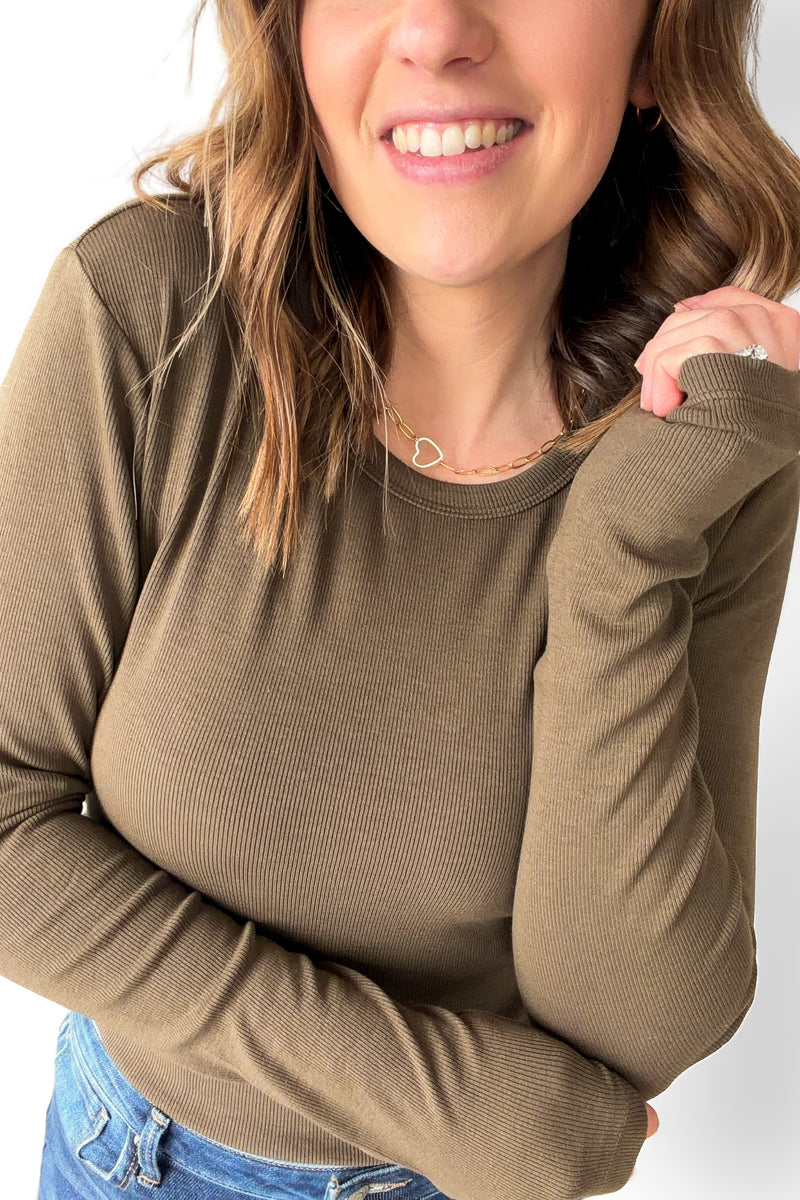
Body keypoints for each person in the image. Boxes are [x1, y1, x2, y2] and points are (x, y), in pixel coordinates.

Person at [1, 0, 799, 1197]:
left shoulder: (697, 436)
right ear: (294, 41)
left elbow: (639, 1023)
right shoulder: (148, 315)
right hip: (136, 1159)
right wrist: (430, 1088)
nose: (434, 29)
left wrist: (618, 556)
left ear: (650, 46)